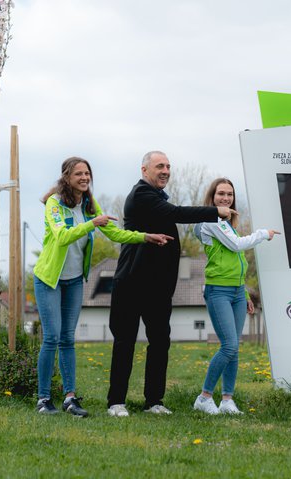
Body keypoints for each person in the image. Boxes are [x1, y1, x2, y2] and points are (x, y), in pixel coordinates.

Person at [33, 157, 171, 417]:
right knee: (52, 337)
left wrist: (144, 237)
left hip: (74, 280)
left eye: (87, 173)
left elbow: (115, 233)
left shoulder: (88, 204)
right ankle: (43, 398)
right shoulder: (54, 204)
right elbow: (62, 236)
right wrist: (91, 223)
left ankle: (70, 398)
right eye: (78, 174)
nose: (84, 178)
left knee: (67, 339)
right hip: (49, 279)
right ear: (66, 177)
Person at [106, 151, 235, 418]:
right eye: (159, 166)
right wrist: (215, 211)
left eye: (168, 166)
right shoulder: (141, 194)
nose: (166, 170)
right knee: (125, 342)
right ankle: (116, 402)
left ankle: (154, 401)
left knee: (160, 342)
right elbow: (176, 213)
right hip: (131, 282)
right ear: (144, 170)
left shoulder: (157, 197)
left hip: (158, 286)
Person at [192, 178, 279, 415]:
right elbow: (237, 246)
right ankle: (204, 397)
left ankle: (227, 400)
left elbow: (235, 262)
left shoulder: (226, 223)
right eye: (221, 193)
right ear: (212, 197)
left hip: (236, 291)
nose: (226, 198)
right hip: (218, 290)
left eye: (230, 194)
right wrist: (264, 234)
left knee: (234, 348)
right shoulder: (210, 221)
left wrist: (244, 292)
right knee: (229, 345)